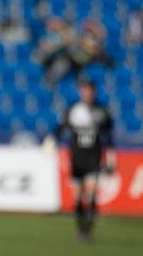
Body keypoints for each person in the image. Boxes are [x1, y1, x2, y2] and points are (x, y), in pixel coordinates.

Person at [53, 79, 115, 241]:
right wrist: (51, 141)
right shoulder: (73, 110)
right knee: (78, 197)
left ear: (94, 92)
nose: (87, 94)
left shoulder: (102, 111)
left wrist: (110, 159)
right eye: (84, 90)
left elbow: (108, 137)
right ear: (81, 92)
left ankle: (88, 229)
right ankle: (81, 227)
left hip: (93, 158)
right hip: (76, 158)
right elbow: (59, 129)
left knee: (92, 192)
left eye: (90, 91)